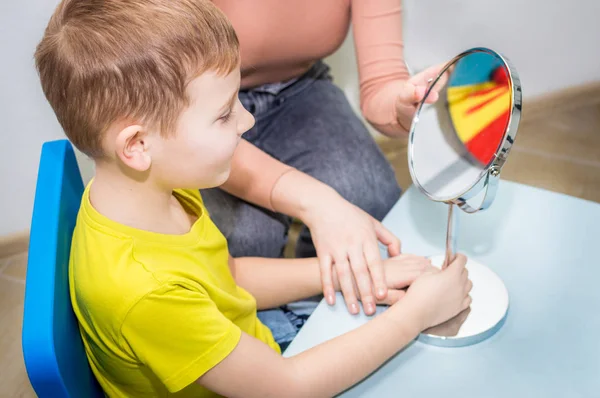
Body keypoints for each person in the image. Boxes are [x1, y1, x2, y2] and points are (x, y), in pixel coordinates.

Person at [35, 1, 471, 396]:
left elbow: (227, 278)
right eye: (225, 113)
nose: (247, 121)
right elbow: (287, 387)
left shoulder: (154, 187)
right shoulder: (146, 292)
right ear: (137, 146)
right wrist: (415, 316)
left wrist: (332, 273)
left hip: (247, 345)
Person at [201, 0, 446, 338]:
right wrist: (316, 201)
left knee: (368, 200)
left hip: (300, 89)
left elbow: (382, 83)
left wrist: (404, 102)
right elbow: (175, 117)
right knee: (244, 239)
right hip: (189, 104)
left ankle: (313, 314)